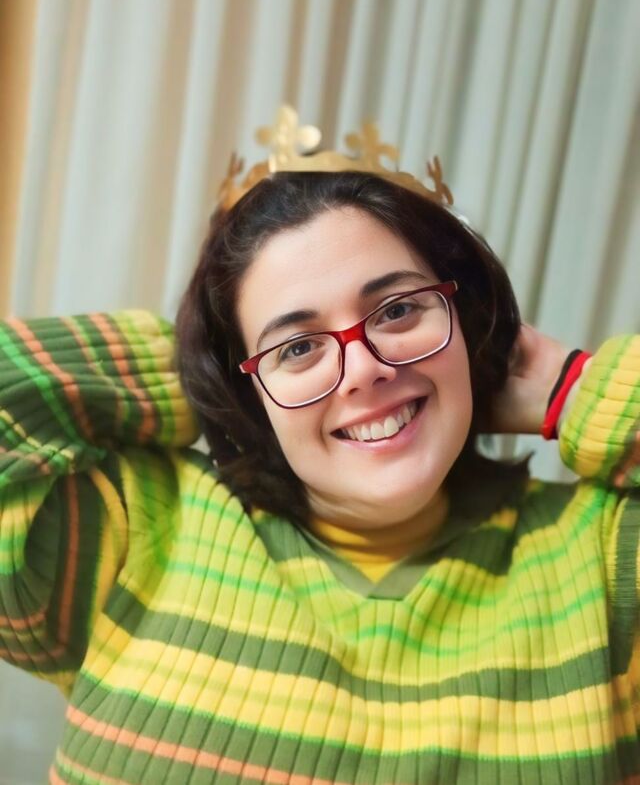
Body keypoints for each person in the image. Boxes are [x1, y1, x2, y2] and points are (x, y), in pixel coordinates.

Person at [0, 108, 638, 785]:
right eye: (298, 347)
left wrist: (575, 388)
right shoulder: (136, 526)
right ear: (248, 388)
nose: (364, 369)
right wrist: (199, 376)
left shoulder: (603, 558)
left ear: (466, 319)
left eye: (398, 310)